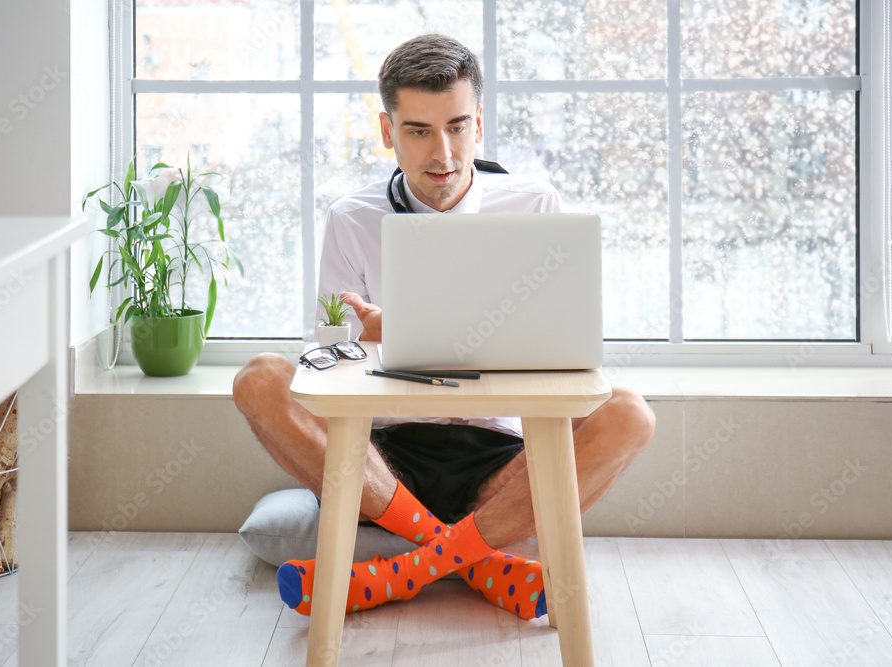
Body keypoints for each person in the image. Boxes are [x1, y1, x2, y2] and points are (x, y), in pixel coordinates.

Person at [233, 34, 655, 620]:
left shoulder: (535, 206)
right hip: (380, 458)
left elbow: (566, 352)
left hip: (498, 460)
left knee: (632, 415)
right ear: (387, 132)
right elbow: (322, 366)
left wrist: (425, 330)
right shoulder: (353, 219)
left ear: (479, 124)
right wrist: (368, 348)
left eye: (458, 127)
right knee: (259, 379)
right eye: (419, 131)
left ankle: (400, 573)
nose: (444, 154)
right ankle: (477, 561)